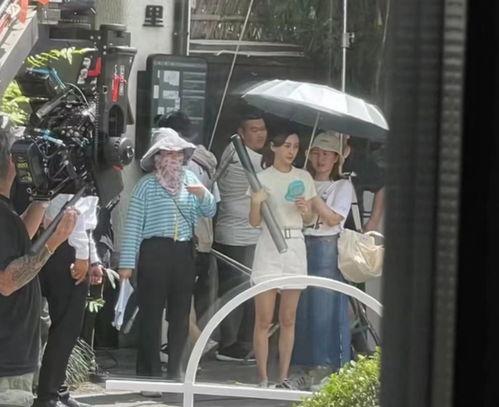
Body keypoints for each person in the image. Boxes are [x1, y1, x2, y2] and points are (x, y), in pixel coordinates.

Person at [118, 128, 216, 381]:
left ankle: (175, 371)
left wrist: (202, 193)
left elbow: (209, 211)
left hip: (183, 252)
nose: (174, 159)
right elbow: (133, 227)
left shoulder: (190, 180)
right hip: (154, 252)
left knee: (180, 316)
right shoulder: (145, 186)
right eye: (168, 154)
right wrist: (126, 265)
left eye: (178, 154)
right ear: (157, 157)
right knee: (150, 315)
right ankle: (149, 374)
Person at [0, 123, 78, 407]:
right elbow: (7, 281)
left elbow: (16, 239)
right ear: (12, 161)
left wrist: (43, 199)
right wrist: (52, 243)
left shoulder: (5, 213)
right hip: (5, 369)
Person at [156, 112, 220, 353]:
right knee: (186, 296)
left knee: (177, 297)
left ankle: (194, 341)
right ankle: (193, 342)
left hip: (185, 238)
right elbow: (215, 201)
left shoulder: (186, 165)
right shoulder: (207, 162)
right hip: (203, 237)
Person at [292, 131, 353, 381]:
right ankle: (304, 362)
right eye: (316, 153)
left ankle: (326, 362)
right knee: (301, 307)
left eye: (327, 154)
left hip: (326, 246)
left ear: (336, 158)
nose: (321, 158)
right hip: (300, 242)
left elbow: (333, 218)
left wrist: (314, 197)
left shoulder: (342, 185)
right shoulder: (300, 180)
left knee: (324, 306)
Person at [33, 194, 104, 407]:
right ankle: (49, 395)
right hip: (65, 246)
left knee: (64, 328)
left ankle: (57, 390)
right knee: (66, 326)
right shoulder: (80, 177)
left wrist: (92, 259)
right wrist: (82, 255)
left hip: (63, 243)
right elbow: (72, 214)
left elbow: (84, 223)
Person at [214, 111, 267, 362]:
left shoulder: (230, 151)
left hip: (232, 233)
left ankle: (235, 343)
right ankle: (233, 345)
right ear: (241, 133)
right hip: (241, 236)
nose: (260, 134)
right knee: (240, 292)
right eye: (254, 130)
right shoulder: (247, 158)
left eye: (263, 129)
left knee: (235, 290)